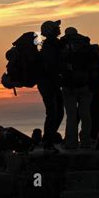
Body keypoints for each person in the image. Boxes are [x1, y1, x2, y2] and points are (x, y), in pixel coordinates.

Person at [60, 27, 98, 150]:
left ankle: (71, 142)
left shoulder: (64, 45)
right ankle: (86, 141)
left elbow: (59, 64)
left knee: (71, 116)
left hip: (69, 85)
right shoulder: (86, 45)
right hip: (85, 84)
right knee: (86, 114)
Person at [37, 20, 64, 152]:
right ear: (51, 31)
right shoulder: (50, 46)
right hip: (48, 84)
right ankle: (48, 142)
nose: (59, 28)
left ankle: (48, 139)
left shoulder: (53, 44)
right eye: (56, 27)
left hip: (51, 83)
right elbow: (51, 66)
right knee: (53, 113)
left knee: (58, 113)